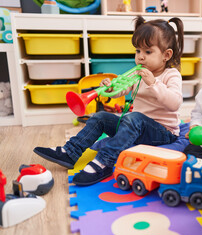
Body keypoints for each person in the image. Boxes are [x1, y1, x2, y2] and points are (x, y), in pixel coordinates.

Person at [34, 16, 184, 186]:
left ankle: (104, 162)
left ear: (166, 55)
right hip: (135, 128)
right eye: (138, 51)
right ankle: (71, 152)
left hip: (163, 133)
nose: (140, 57)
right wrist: (111, 89)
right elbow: (123, 89)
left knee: (133, 118)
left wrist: (153, 83)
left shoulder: (171, 75)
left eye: (148, 52)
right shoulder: (137, 73)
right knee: (100, 117)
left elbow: (175, 103)